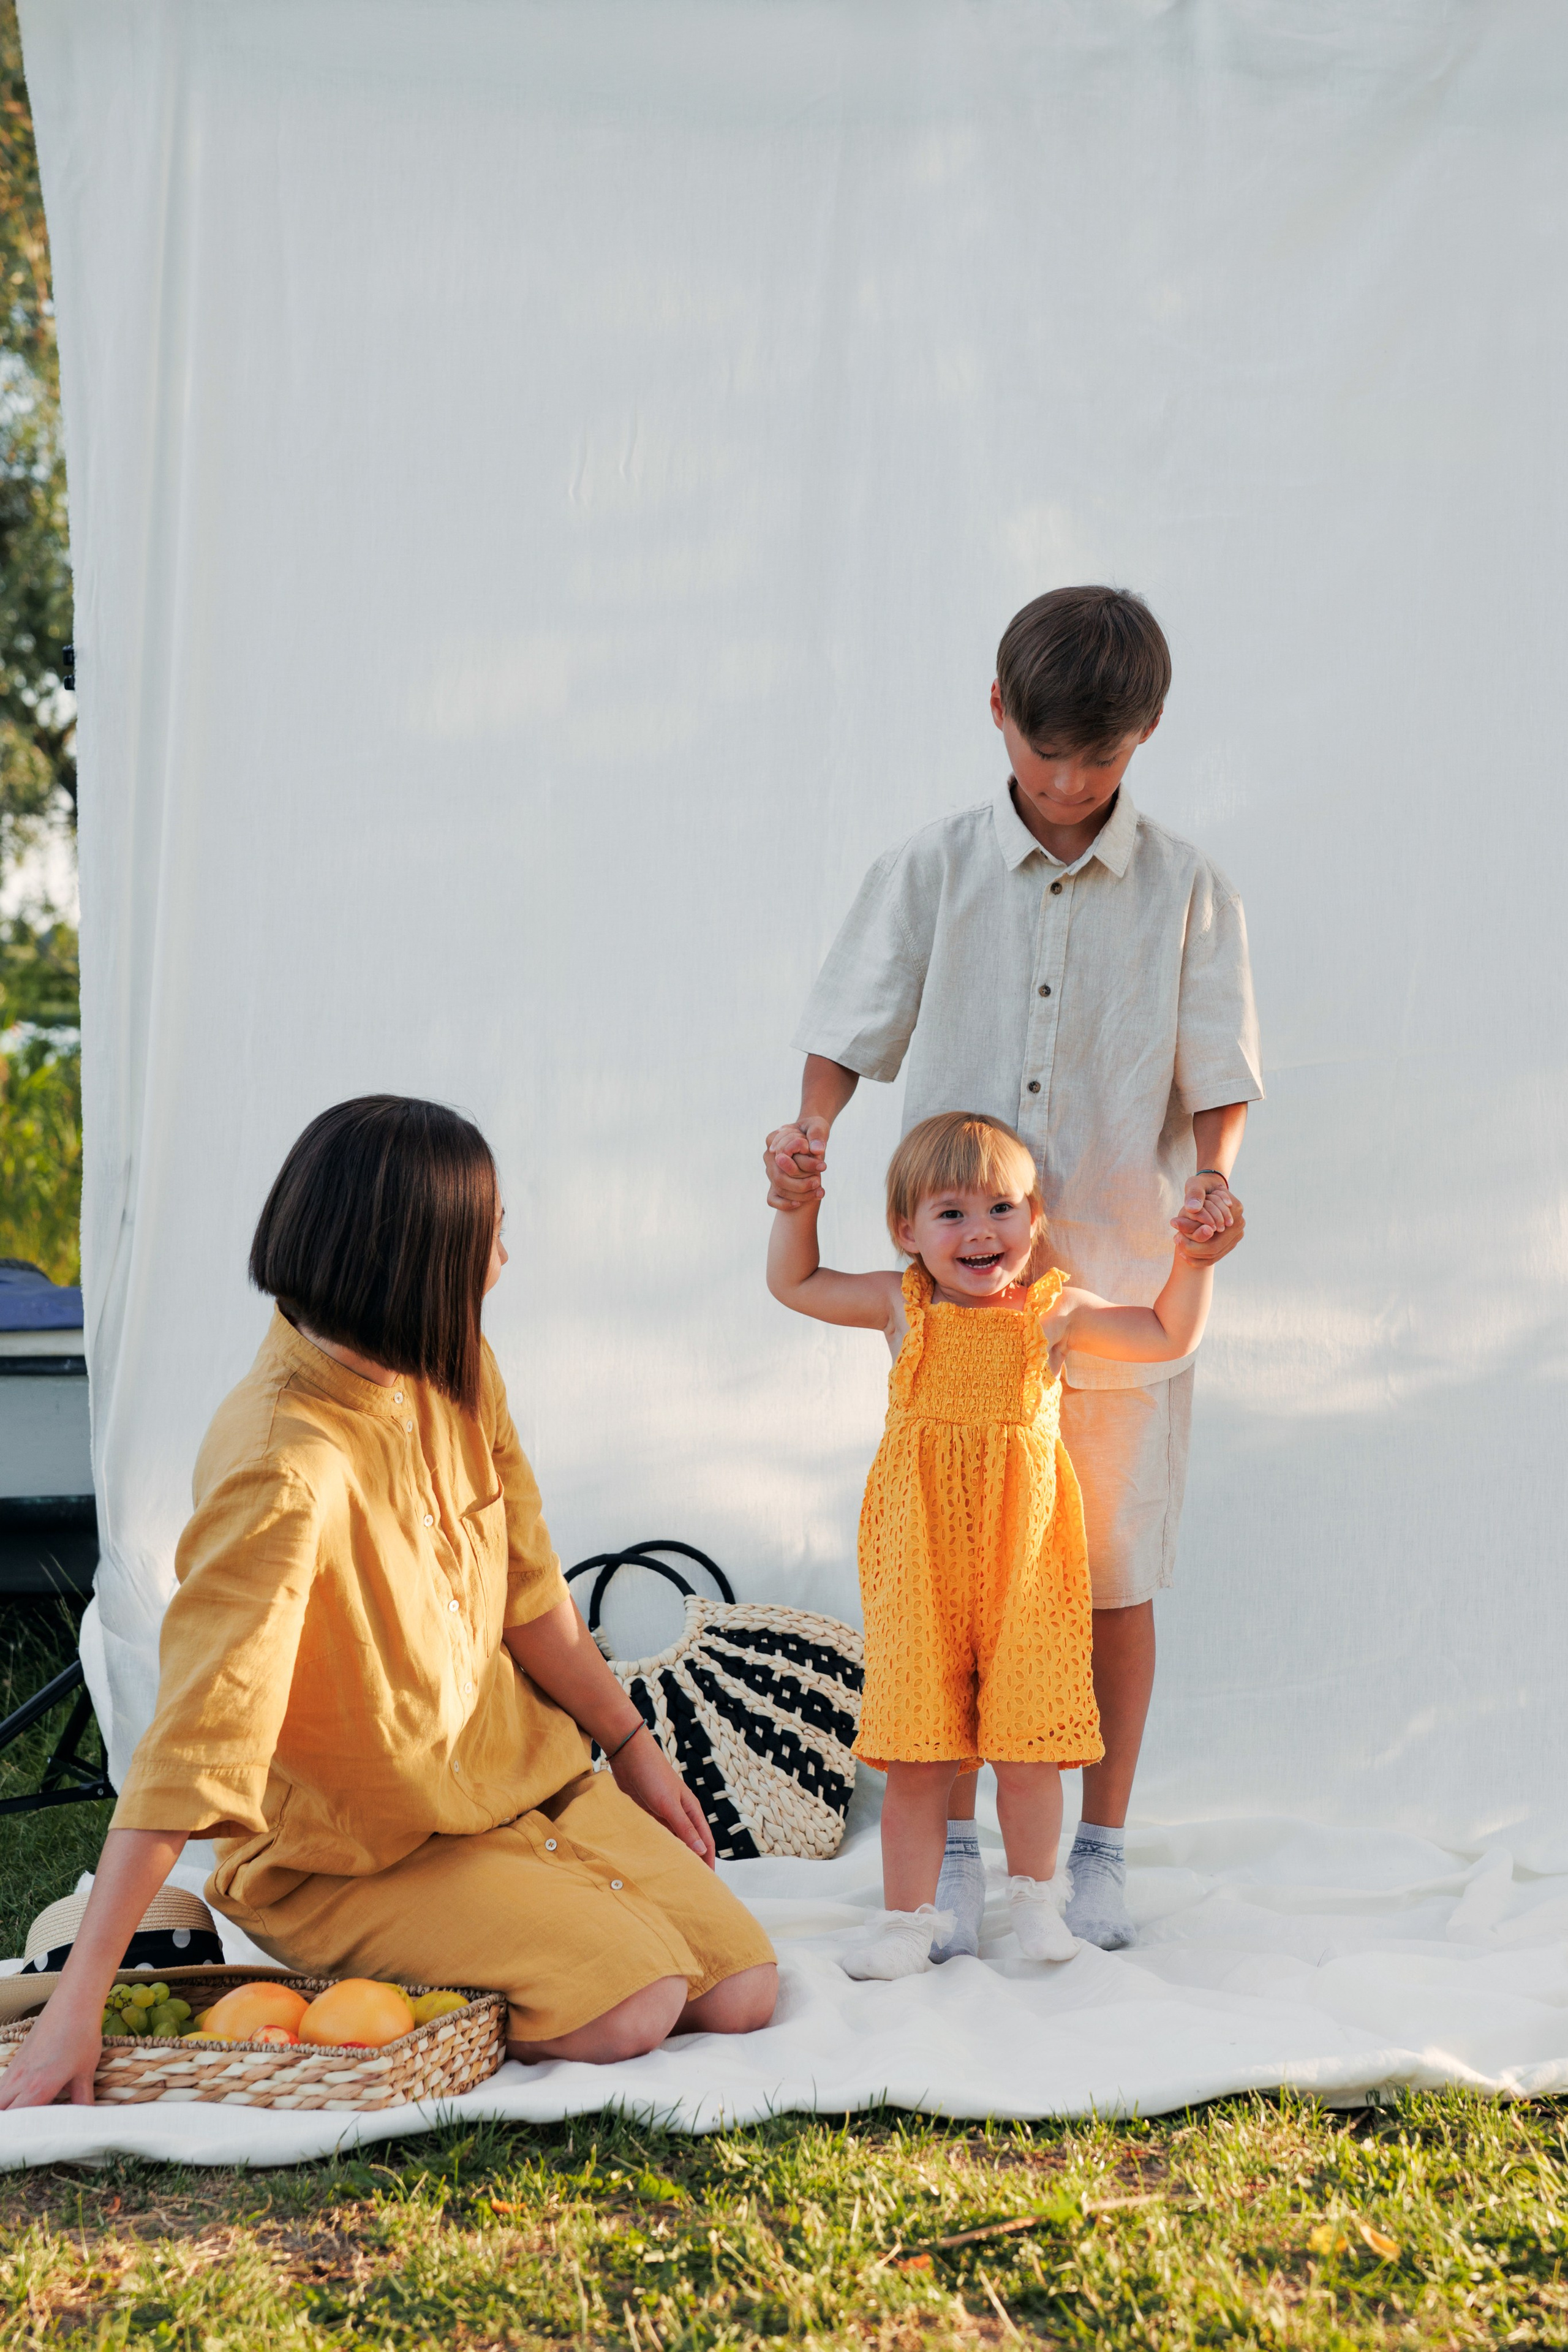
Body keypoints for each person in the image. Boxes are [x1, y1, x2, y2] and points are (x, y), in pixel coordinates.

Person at [1, 1095, 775, 2110]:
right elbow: (194, 1747)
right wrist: (79, 2008)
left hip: (523, 1786)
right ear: (419, 1264)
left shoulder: (457, 1364)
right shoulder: (283, 1467)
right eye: (490, 1238)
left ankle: (547, 1910)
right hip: (354, 1858)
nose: (504, 1259)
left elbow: (530, 1592)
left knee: (741, 1990)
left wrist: (631, 1747)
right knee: (633, 2007)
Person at [766, 586, 1262, 1956]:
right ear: (996, 716)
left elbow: (1214, 1069)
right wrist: (809, 1140)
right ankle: (963, 1848)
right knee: (962, 1583)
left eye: (1095, 760)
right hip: (963, 1288)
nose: (1064, 783)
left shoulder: (1187, 892)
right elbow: (846, 1019)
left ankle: (1092, 1844)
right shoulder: (929, 869)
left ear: (1143, 736)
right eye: (1044, 756)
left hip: (1103, 1277)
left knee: (1103, 1574)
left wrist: (1209, 1182)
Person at [767, 1111, 1226, 1977]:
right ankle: (909, 1922)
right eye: (950, 1214)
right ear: (906, 1231)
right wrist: (796, 1206)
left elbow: (1168, 1335)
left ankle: (1037, 1904)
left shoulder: (1053, 1314)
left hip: (1027, 1568)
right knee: (917, 1757)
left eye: (1002, 1209)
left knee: (1027, 1749)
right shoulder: (898, 1306)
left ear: (1035, 1218)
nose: (981, 1232)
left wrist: (1193, 1264)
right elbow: (794, 1283)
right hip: (920, 1568)